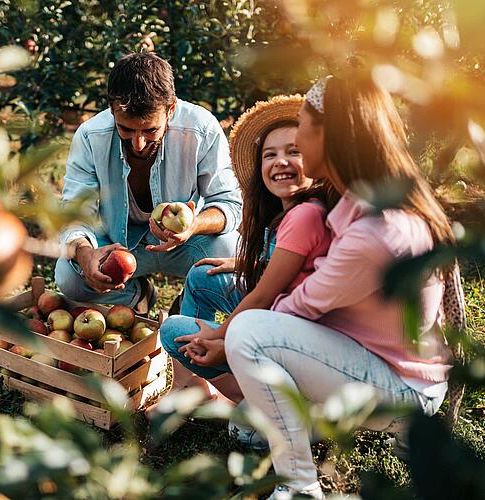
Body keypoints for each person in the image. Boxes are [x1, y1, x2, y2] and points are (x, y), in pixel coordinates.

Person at [182, 75, 454, 499]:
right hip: (376, 361)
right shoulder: (359, 200)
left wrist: (224, 342)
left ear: (331, 137)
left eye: (304, 127)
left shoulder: (375, 230)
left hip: (402, 389)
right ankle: (296, 419)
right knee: (249, 339)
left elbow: (296, 307)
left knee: (250, 332)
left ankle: (298, 486)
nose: (297, 138)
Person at [158, 95, 337, 408]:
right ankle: (192, 387)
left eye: (293, 151)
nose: (280, 161)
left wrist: (219, 340)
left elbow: (263, 297)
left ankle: (255, 399)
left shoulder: (304, 216)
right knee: (202, 275)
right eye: (270, 155)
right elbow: (291, 264)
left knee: (174, 331)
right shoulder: (291, 212)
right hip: (282, 321)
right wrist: (245, 262)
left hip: (291, 334)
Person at [55, 52, 242, 313]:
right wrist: (86, 255)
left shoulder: (202, 129)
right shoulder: (91, 135)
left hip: (185, 244)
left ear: (171, 109)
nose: (138, 144)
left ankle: (190, 300)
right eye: (127, 130)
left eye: (150, 130)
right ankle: (137, 295)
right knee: (68, 276)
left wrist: (193, 225)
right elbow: (75, 211)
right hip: (118, 242)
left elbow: (229, 203)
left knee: (231, 252)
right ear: (112, 111)